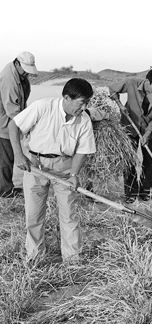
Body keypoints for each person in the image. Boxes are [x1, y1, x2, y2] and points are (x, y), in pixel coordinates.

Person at [9, 78, 95, 262]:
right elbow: (14, 125)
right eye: (81, 103)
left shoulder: (84, 119)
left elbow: (82, 150)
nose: (84, 107)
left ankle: (72, 259)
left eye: (87, 103)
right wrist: (18, 155)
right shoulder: (42, 107)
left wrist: (74, 175)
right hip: (35, 165)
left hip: (65, 167)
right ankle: (35, 256)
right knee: (34, 214)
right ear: (66, 97)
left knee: (69, 214)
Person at [108, 68, 152, 203]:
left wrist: (147, 134)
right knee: (129, 160)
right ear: (148, 81)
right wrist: (119, 104)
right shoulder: (132, 83)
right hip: (129, 127)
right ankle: (131, 192)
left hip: (148, 130)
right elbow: (112, 89)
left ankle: (145, 191)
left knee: (148, 159)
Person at [0, 51, 38, 198]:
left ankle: (6, 186)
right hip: (3, 123)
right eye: (24, 70)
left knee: (7, 155)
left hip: (11, 120)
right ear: (17, 63)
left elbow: (22, 102)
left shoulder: (19, 74)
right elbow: (12, 110)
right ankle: (5, 191)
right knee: (5, 156)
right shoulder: (9, 79)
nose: (26, 73)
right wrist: (26, 125)